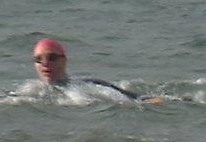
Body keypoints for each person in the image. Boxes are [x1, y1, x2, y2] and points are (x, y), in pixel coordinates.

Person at [31, 38, 161, 103]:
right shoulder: (30, 90)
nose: (45, 64)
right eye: (38, 60)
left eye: (52, 58)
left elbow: (135, 100)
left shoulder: (90, 85)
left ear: (64, 60)